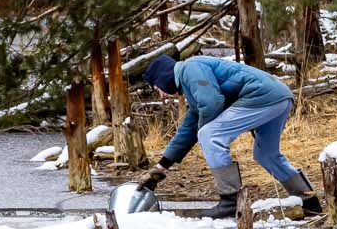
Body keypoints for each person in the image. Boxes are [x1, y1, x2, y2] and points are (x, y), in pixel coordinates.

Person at [133, 50, 319, 219]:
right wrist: (160, 168)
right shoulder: (192, 85)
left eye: (157, 88)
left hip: (262, 96)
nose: (161, 95)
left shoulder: (189, 68)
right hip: (279, 97)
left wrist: (203, 131)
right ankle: (308, 201)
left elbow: (212, 102)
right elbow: (188, 129)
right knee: (266, 154)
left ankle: (230, 201)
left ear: (162, 77)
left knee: (209, 134)